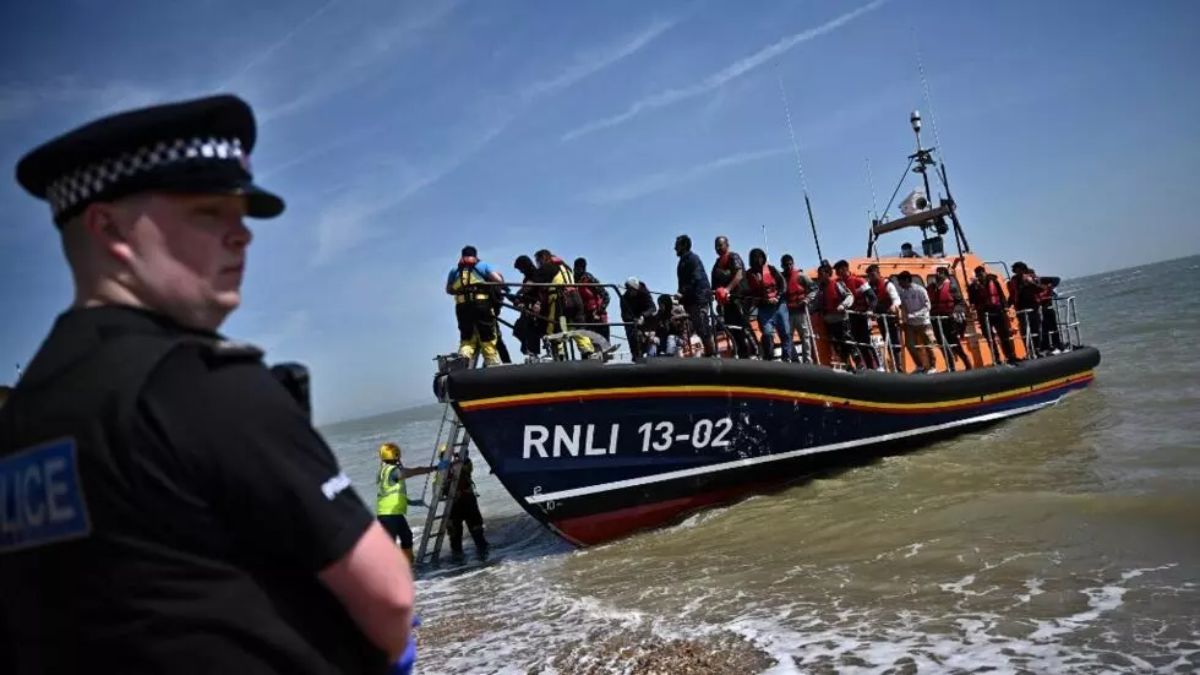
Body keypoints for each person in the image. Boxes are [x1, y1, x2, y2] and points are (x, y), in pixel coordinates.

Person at [0, 95, 413, 673]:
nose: (241, 235)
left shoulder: (23, 415)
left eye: (241, 215)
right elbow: (388, 597)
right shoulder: (202, 385)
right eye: (207, 212)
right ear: (109, 227)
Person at [376, 442, 442, 564]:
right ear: (396, 455)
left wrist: (411, 502)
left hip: (392, 514)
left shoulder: (383, 471)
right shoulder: (392, 471)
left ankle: (408, 565)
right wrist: (435, 468)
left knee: (406, 537)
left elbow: (389, 493)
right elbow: (414, 472)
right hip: (389, 516)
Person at [446, 245, 504, 366]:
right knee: (487, 335)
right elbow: (498, 281)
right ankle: (491, 362)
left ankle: (462, 361)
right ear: (475, 256)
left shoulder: (454, 270)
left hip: (462, 307)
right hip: (481, 305)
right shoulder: (482, 265)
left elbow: (449, 290)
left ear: (462, 256)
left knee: (467, 338)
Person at [532, 249, 593, 359]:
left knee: (554, 326)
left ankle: (558, 354)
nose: (538, 264)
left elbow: (533, 281)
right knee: (577, 326)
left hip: (561, 299)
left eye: (538, 261)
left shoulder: (548, 267)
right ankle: (587, 352)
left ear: (543, 258)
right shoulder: (566, 267)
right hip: (576, 299)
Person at [440, 449, 490, 563]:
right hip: (453, 506)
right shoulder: (441, 472)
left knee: (477, 531)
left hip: (467, 502)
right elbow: (437, 490)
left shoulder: (462, 465)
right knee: (455, 537)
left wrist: (463, 457)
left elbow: (468, 466)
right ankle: (459, 561)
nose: (448, 458)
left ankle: (483, 556)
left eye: (450, 455)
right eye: (445, 456)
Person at [744, 248, 792, 361]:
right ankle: (769, 358)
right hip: (764, 309)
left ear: (763, 258)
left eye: (760, 257)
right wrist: (761, 301)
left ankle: (787, 358)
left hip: (779, 306)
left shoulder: (771, 269)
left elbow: (783, 284)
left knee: (785, 332)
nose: (757, 260)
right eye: (755, 257)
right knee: (767, 333)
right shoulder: (749, 275)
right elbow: (747, 293)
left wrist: (778, 297)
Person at [816, 261, 862, 371]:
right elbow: (817, 304)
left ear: (827, 274)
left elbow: (849, 296)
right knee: (837, 345)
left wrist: (843, 305)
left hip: (841, 318)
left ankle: (859, 363)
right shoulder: (820, 290)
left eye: (821, 274)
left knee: (847, 341)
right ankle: (847, 364)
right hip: (829, 321)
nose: (819, 276)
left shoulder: (837, 284)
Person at [711, 236, 752, 359]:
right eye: (716, 246)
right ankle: (741, 354)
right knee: (732, 329)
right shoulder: (716, 265)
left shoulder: (734, 257)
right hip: (726, 304)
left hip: (739, 299)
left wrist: (727, 290)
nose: (718, 248)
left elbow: (739, 275)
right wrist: (716, 296)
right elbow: (714, 286)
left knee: (744, 327)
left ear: (727, 245)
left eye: (720, 245)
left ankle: (754, 351)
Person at [968, 265, 1018, 365]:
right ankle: (996, 358)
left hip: (997, 310)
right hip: (984, 313)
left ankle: (1010, 356)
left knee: (1004, 335)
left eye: (981, 273)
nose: (980, 276)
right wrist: (975, 288)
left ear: (984, 273)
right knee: (989, 337)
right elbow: (972, 300)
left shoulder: (993, 281)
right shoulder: (973, 286)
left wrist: (1005, 306)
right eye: (978, 275)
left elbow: (1001, 294)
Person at [834, 260, 879, 370]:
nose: (837, 273)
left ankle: (876, 367)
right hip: (848, 319)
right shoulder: (839, 284)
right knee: (855, 344)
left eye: (838, 271)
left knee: (865, 343)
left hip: (861, 317)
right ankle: (862, 367)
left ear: (845, 269)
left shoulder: (859, 281)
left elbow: (873, 298)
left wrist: (870, 310)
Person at [674, 235, 715, 356]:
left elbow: (696, 279)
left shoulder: (693, 259)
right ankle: (709, 352)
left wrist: (683, 293)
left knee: (702, 326)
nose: (675, 248)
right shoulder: (682, 262)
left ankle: (711, 353)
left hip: (699, 298)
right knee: (698, 327)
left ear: (684, 246)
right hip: (691, 300)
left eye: (677, 245)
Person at [927, 267, 972, 371]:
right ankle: (951, 366)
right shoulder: (931, 287)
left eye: (941, 272)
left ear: (945, 274)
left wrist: (956, 312)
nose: (938, 274)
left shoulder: (952, 287)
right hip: (936, 319)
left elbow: (960, 303)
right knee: (941, 343)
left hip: (948, 319)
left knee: (953, 341)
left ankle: (966, 361)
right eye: (937, 272)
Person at [897, 271, 938, 373]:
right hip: (910, 323)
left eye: (900, 281)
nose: (899, 284)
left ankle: (933, 366)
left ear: (906, 280)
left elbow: (927, 306)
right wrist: (903, 319)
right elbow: (904, 307)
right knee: (909, 345)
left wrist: (916, 314)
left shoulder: (920, 290)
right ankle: (920, 365)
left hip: (923, 322)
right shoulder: (902, 293)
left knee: (928, 344)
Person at [866, 264, 904, 371]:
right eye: (869, 275)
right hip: (880, 318)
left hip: (890, 317)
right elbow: (869, 302)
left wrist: (893, 306)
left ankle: (899, 366)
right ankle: (893, 365)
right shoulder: (869, 287)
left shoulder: (888, 284)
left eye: (873, 274)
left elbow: (897, 299)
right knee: (886, 341)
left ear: (878, 273)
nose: (871, 277)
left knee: (894, 341)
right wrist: (870, 311)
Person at [780, 254, 815, 363]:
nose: (789, 267)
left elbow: (814, 289)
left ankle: (807, 360)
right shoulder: (781, 279)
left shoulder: (801, 276)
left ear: (793, 264)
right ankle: (795, 359)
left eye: (790, 264)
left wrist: (807, 299)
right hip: (788, 313)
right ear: (782, 266)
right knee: (788, 337)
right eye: (786, 265)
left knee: (805, 336)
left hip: (801, 311)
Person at [512, 255, 546, 359]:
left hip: (536, 306)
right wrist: (519, 301)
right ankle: (529, 350)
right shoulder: (527, 276)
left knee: (532, 330)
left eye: (521, 268)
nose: (521, 271)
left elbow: (530, 287)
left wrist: (518, 293)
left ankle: (533, 354)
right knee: (518, 330)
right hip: (527, 307)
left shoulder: (536, 273)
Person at [573, 257, 611, 342]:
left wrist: (599, 311)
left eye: (581, 268)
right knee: (588, 342)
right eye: (576, 268)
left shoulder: (589, 278)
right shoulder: (572, 280)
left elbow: (606, 296)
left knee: (603, 341)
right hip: (584, 316)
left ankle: (606, 353)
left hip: (597, 314)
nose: (578, 270)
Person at [619, 276, 656, 359]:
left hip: (646, 320)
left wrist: (643, 316)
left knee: (649, 338)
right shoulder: (624, 299)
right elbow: (624, 315)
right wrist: (634, 320)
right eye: (630, 290)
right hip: (632, 323)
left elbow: (653, 308)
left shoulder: (644, 293)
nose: (632, 292)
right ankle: (636, 356)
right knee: (634, 336)